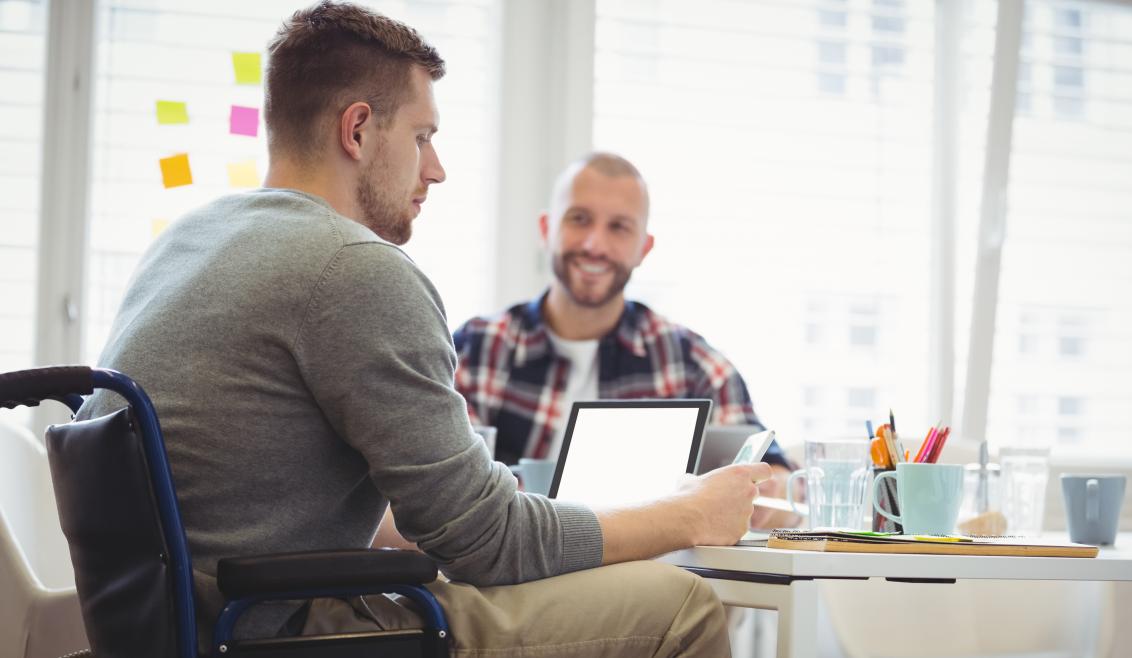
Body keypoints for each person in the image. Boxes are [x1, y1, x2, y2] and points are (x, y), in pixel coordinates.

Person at [77, 3, 768, 655]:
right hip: (281, 627)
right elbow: (488, 541)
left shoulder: (190, 240)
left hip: (178, 625)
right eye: (422, 137)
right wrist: (687, 513)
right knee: (681, 603)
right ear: (356, 131)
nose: (434, 169)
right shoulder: (353, 269)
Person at [452, 153, 800, 528]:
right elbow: (449, 489)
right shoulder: (477, 349)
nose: (594, 245)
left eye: (618, 227)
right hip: (513, 569)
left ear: (643, 249)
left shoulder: (690, 360)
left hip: (646, 572)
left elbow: (770, 472)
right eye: (579, 219)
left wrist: (768, 492)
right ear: (546, 228)